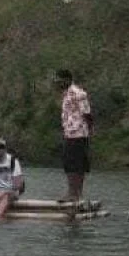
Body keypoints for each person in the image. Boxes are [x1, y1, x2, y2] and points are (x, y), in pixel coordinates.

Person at [55, 69, 93, 202]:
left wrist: (89, 130)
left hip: (79, 133)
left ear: (67, 79)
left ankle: (74, 193)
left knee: (77, 164)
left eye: (59, 80)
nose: (57, 83)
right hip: (69, 133)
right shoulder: (66, 94)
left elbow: (87, 113)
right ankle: (73, 193)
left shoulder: (78, 93)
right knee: (69, 163)